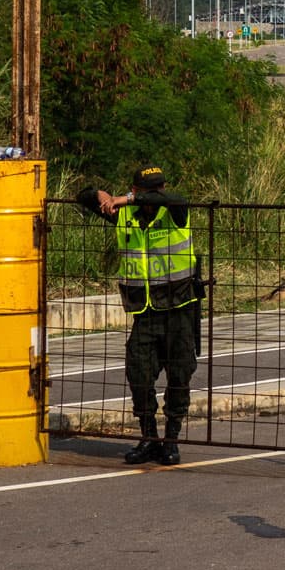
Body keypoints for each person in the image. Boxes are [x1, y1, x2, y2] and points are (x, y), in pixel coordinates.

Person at [75, 166, 201, 465]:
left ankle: (171, 440)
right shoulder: (124, 215)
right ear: (135, 187)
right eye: (147, 189)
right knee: (139, 376)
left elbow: (176, 199)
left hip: (179, 308)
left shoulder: (174, 211)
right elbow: (83, 197)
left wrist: (128, 198)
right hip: (144, 312)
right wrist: (100, 195)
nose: (154, 194)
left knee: (180, 377)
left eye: (158, 188)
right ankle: (149, 438)